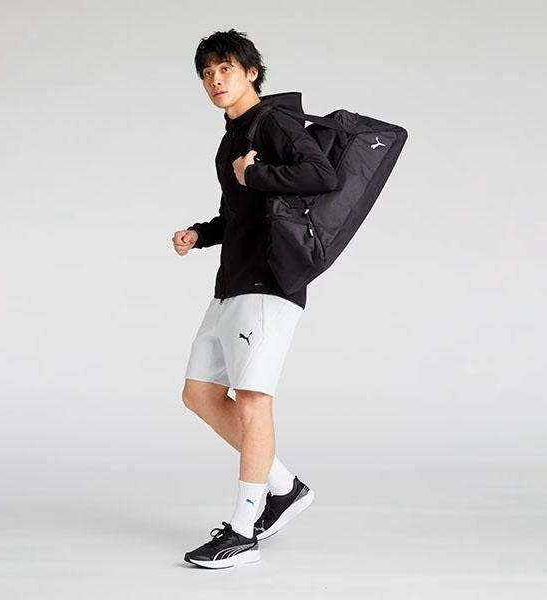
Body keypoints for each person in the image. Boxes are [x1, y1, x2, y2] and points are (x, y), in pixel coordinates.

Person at [172, 28, 337, 569]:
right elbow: (241, 211)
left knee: (252, 398)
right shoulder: (231, 138)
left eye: (225, 69)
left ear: (251, 73)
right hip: (233, 282)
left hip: (268, 283)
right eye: (207, 73)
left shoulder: (273, 121)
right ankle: (283, 487)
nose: (215, 80)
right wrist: (201, 234)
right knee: (199, 393)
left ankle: (243, 529)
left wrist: (257, 172)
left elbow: (320, 174)